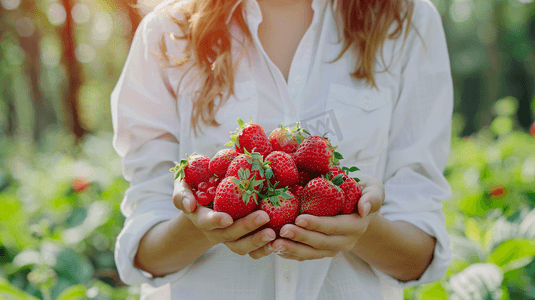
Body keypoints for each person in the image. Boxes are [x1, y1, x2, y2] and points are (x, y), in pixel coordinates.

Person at [111, 0, 453, 299]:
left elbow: (418, 256)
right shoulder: (169, 33)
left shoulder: (406, 21)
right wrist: (201, 227)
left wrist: (362, 226)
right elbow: (143, 254)